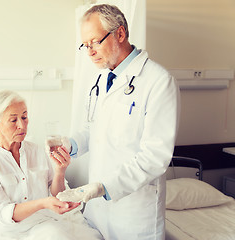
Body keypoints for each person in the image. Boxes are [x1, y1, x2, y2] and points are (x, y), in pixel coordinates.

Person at [53, 4, 180, 240]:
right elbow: (93, 129)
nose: (89, 51)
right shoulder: (101, 80)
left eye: (95, 42)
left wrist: (104, 187)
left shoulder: (158, 82)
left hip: (133, 212)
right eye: (85, 45)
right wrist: (71, 144)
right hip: (98, 209)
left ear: (120, 34)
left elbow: (155, 157)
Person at [0, 90, 103, 240]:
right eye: (13, 120)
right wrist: (43, 203)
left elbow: (57, 194)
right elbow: (2, 213)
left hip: (41, 225)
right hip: (3, 230)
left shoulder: (37, 151)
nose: (22, 125)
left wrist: (60, 172)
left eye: (24, 117)